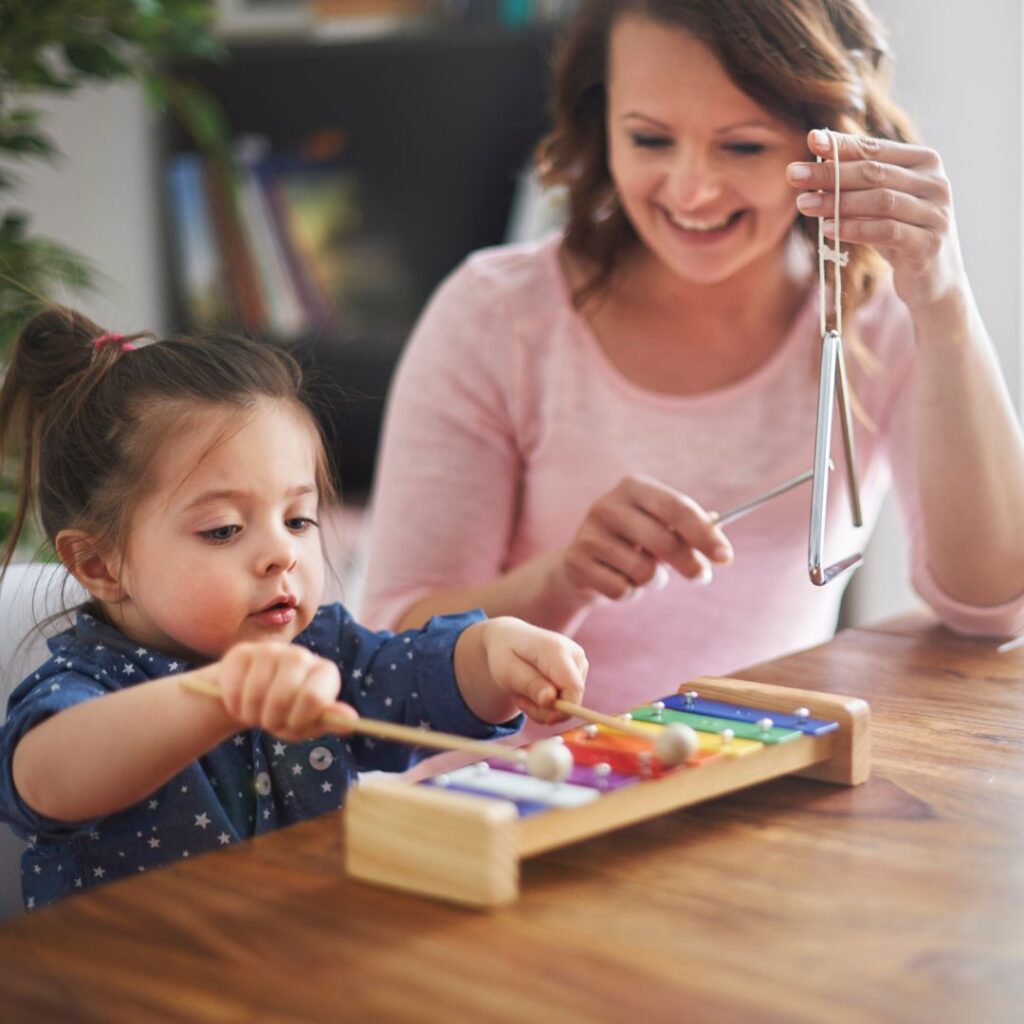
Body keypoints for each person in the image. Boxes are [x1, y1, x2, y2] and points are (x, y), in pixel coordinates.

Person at [362, 0, 1024, 733]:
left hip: (744, 795)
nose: (692, 190)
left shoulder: (876, 319)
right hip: (507, 799)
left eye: (741, 147)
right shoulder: (497, 315)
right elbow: (392, 649)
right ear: (600, 121)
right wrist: (565, 579)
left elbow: (992, 603)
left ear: (831, 145)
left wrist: (945, 304)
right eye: (650, 138)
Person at [0, 308, 588, 909]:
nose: (282, 553)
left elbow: (421, 679)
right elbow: (43, 779)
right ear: (99, 564)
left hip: (301, 965)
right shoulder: (88, 686)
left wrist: (492, 654)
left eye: (298, 519)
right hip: (135, 991)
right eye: (225, 530)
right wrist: (222, 697)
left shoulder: (321, 652)